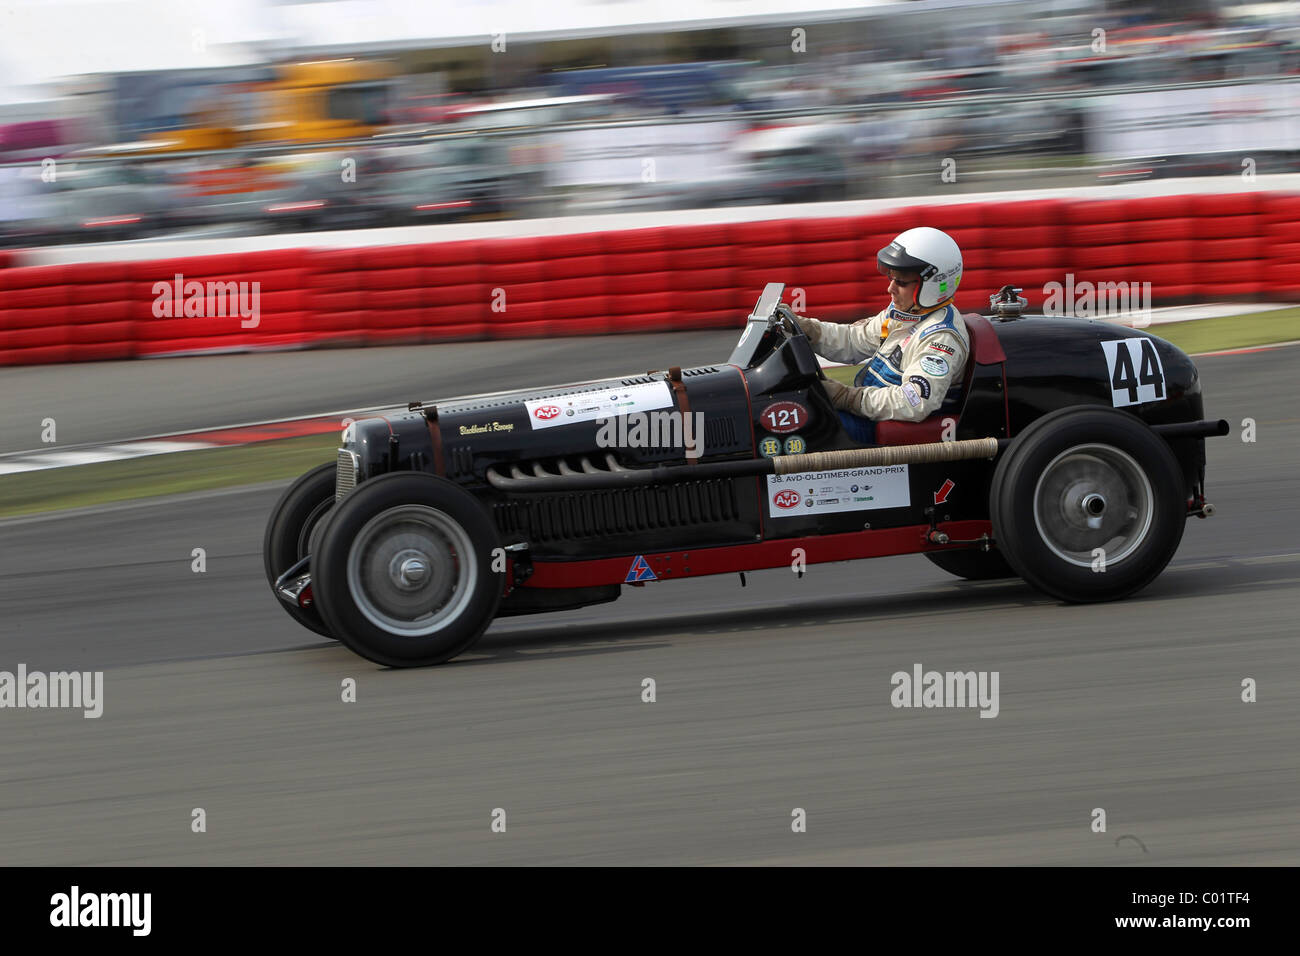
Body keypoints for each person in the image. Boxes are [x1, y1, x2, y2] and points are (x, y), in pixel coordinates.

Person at [797, 227, 969, 444]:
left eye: (901, 282)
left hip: (889, 432)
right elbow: (854, 340)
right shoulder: (905, 313)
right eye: (891, 278)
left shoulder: (940, 338)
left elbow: (914, 401)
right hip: (870, 415)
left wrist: (848, 397)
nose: (890, 288)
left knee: (804, 425)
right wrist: (808, 329)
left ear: (933, 284)